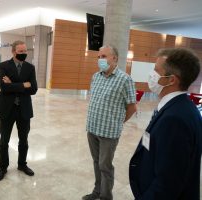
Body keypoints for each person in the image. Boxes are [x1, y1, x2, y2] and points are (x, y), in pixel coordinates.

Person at [129, 48, 202, 200]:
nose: (151, 75)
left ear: (171, 80)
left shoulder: (175, 119)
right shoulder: (178, 107)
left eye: (156, 70)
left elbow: (168, 182)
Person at [83, 45, 137, 200]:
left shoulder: (125, 79)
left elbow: (132, 107)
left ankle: (106, 197)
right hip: (92, 128)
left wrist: (119, 122)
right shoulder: (96, 76)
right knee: (96, 162)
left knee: (104, 166)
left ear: (115, 58)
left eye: (104, 56)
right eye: (99, 57)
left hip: (109, 132)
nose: (100, 60)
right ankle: (97, 191)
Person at [0, 40, 38, 181]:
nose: (23, 54)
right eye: (20, 52)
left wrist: (13, 84)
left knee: (23, 140)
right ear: (13, 52)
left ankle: (22, 164)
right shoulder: (4, 65)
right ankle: (3, 167)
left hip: (24, 109)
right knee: (4, 141)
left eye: (25, 51)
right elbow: (3, 87)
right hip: (7, 109)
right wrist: (23, 85)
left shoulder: (30, 68)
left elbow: (33, 89)